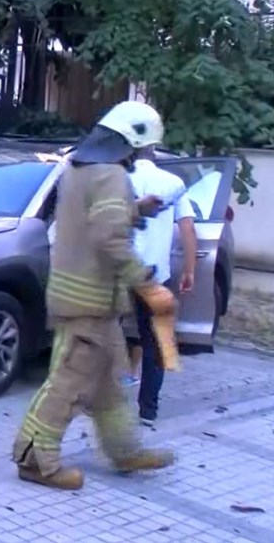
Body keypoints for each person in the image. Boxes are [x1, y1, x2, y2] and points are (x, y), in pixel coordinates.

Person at [12, 100, 177, 491]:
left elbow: (94, 217)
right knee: (66, 385)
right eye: (141, 148)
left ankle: (124, 451)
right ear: (129, 142)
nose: (141, 155)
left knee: (107, 388)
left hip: (81, 298)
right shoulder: (111, 177)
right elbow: (109, 237)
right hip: (91, 302)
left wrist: (136, 209)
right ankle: (35, 458)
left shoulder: (78, 169)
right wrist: (147, 284)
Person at [123, 146, 197, 427]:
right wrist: (189, 269)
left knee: (103, 333)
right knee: (155, 341)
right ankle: (148, 411)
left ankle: (96, 400)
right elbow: (187, 227)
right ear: (154, 152)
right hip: (155, 274)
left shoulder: (119, 180)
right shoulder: (174, 183)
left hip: (118, 270)